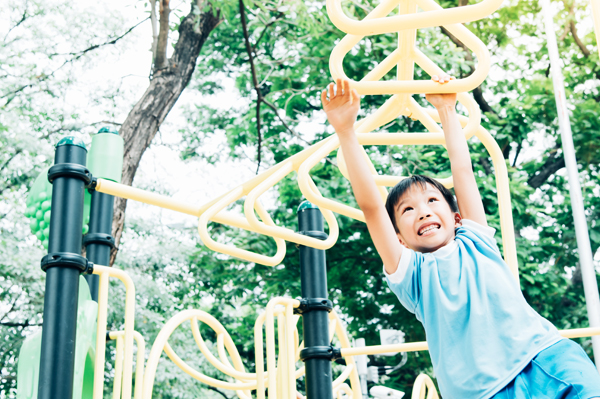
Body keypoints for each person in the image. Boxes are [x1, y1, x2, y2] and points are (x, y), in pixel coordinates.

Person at [321, 77, 600, 399]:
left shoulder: (475, 241)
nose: (423, 212)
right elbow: (371, 207)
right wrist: (345, 131)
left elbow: (462, 172)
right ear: (398, 238)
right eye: (407, 210)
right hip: (484, 391)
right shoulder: (412, 274)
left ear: (456, 218)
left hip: (544, 355)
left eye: (432, 201)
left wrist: (447, 109)